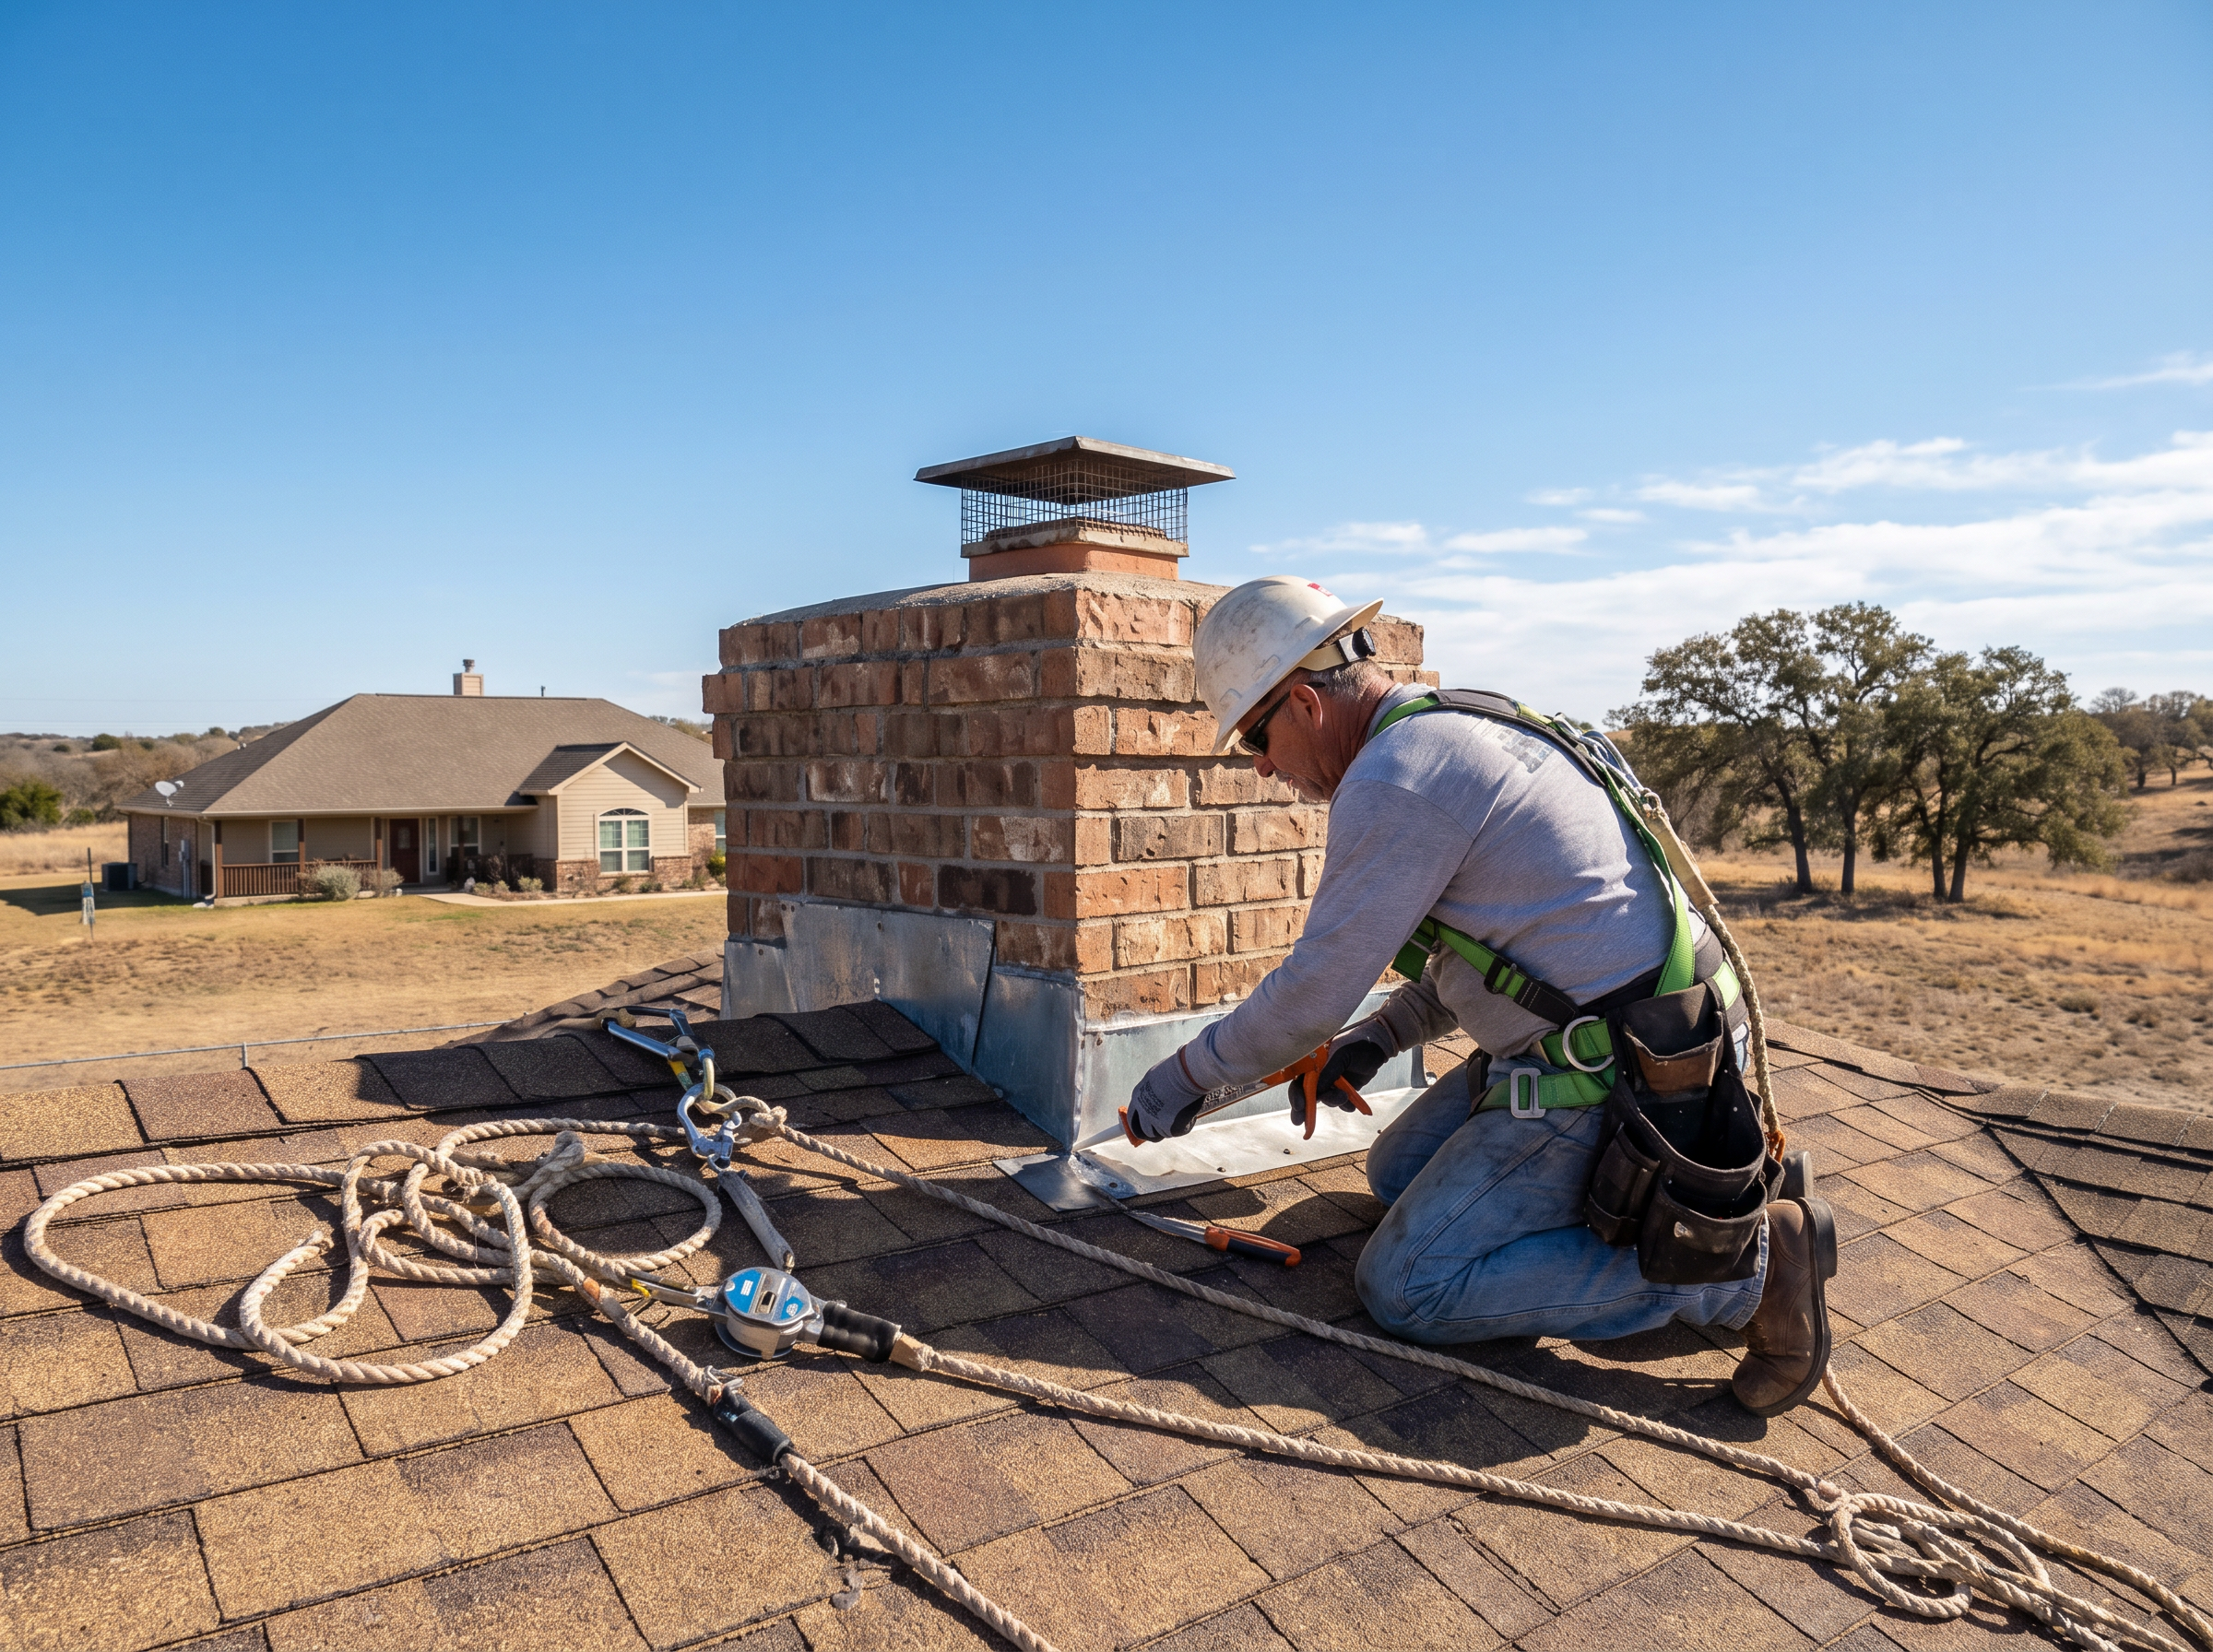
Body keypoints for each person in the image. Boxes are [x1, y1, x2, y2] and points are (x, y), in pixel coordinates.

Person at [1123, 575, 1837, 1416]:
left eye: (1256, 734)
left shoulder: (1395, 779)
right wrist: (1379, 1038)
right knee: (1395, 1176)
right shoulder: (1461, 721)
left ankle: (1744, 1263)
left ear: (1308, 703)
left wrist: (1178, 1081)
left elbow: (1310, 992)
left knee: (1407, 1285)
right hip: (1659, 1032)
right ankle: (1710, 1187)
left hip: (1623, 1070)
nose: (1264, 766)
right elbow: (1501, 953)